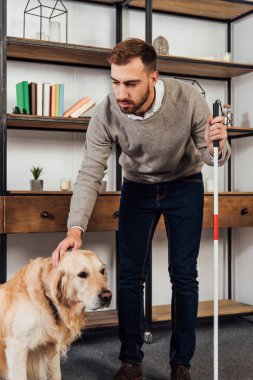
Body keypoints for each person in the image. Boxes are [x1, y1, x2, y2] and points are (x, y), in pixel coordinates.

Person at [52, 38, 230, 380]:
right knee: (130, 275)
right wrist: (76, 228)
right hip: (137, 187)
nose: (122, 93)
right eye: (116, 82)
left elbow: (213, 158)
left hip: (184, 184)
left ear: (153, 77)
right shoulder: (107, 111)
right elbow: (91, 170)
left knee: (183, 274)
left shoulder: (188, 99)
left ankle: (182, 363)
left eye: (131, 83)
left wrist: (217, 145)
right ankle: (130, 361)